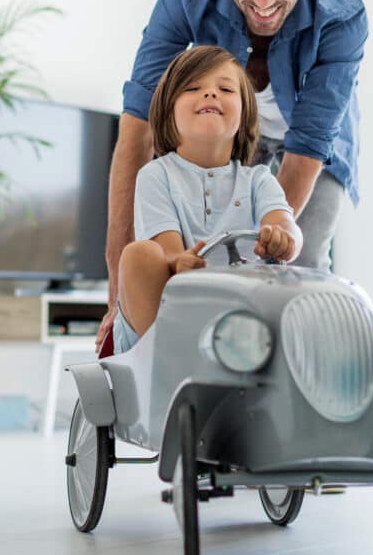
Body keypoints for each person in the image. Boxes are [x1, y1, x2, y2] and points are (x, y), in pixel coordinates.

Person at [97, 0, 367, 352]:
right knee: (171, 260)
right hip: (225, 132)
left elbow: (308, 147)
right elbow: (136, 128)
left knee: (301, 271)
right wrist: (117, 284)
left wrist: (259, 247)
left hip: (312, 147)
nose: (264, 3)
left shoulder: (343, 14)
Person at [110, 45, 302, 352]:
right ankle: (166, 365)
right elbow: (167, 250)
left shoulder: (259, 180)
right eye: (193, 87)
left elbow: (284, 222)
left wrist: (284, 238)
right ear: (168, 110)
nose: (211, 94)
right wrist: (179, 261)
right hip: (168, 316)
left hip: (240, 323)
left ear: (245, 114)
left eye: (225, 88)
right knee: (140, 254)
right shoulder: (156, 175)